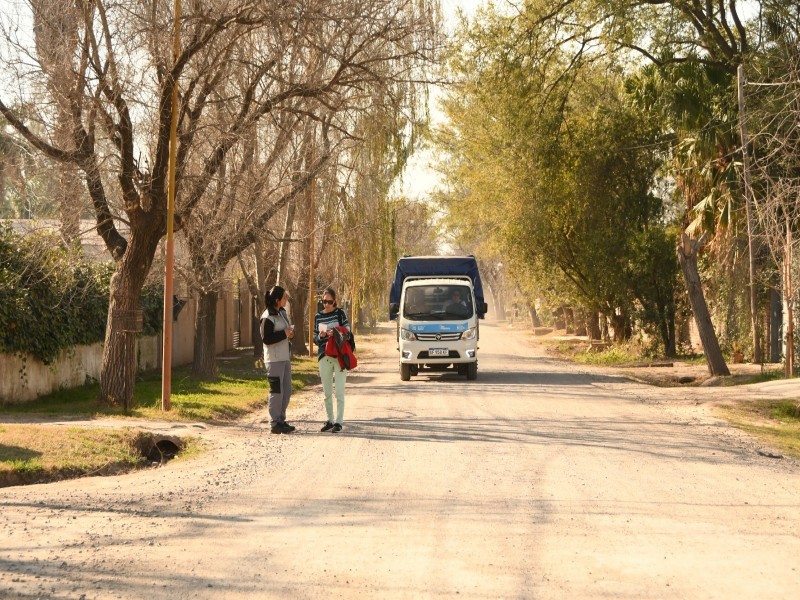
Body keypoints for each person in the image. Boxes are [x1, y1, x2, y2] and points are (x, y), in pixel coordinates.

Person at [314, 287, 350, 433]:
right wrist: (321, 336)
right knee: (327, 391)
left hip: (339, 356)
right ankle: (330, 419)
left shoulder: (340, 313)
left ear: (334, 301)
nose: (326, 304)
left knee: (339, 390)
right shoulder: (318, 317)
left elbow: (348, 331)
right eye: (324, 301)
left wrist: (334, 333)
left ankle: (339, 422)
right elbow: (315, 339)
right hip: (324, 356)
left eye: (329, 301)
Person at [260, 285, 295, 434]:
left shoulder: (282, 313)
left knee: (286, 390)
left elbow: (286, 332)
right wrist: (284, 334)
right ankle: (274, 422)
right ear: (277, 300)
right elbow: (266, 339)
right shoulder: (266, 317)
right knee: (276, 391)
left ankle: (281, 419)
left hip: (285, 358)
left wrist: (290, 334)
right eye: (284, 298)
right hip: (273, 361)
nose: (286, 300)